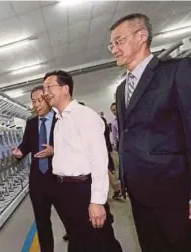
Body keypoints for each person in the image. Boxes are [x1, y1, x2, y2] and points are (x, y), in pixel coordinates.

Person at [110, 13, 191, 252]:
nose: (113, 49)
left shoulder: (178, 71)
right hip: (140, 197)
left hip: (177, 194)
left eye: (118, 41)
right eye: (112, 44)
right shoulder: (121, 89)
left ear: (141, 36)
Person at [42, 70, 122, 252]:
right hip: (66, 191)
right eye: (44, 87)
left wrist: (97, 201)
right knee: (78, 240)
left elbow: (99, 160)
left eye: (49, 86)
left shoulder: (84, 116)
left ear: (65, 89)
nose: (45, 91)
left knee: (101, 242)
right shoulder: (60, 121)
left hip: (83, 190)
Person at [12, 86, 68, 251]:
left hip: (59, 179)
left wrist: (55, 150)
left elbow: (73, 146)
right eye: (33, 101)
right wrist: (19, 152)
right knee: (42, 222)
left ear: (48, 99)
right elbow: (27, 144)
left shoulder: (62, 119)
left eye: (40, 100)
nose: (36, 105)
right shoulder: (31, 122)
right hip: (38, 181)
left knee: (69, 218)